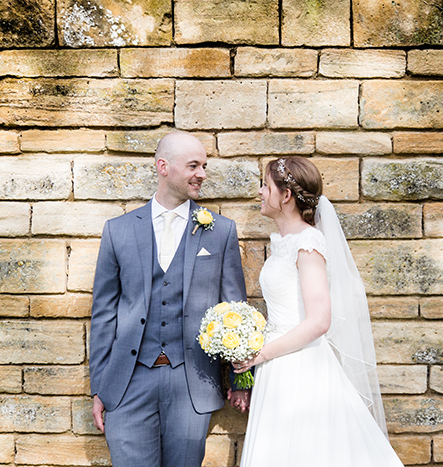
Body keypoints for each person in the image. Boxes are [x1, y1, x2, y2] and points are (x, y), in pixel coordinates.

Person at [89, 132, 250, 467]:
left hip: (191, 382)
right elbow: (104, 314)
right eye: (193, 165)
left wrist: (240, 381)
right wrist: (99, 387)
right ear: (163, 166)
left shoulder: (220, 231)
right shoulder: (117, 230)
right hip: (128, 383)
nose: (202, 173)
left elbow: (235, 310)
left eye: (204, 166)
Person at [234, 156, 404, 466]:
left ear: (285, 196)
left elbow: (318, 321)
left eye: (265, 186)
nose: (259, 192)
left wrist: (260, 354)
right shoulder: (285, 242)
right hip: (280, 364)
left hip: (300, 366)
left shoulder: (307, 244)